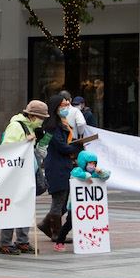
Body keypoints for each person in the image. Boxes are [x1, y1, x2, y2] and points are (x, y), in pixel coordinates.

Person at [0, 101, 49, 255]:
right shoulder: (16, 126)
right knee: (11, 208)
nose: (42, 121)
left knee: (25, 207)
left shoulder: (29, 127)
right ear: (32, 116)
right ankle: (5, 243)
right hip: (15, 175)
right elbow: (7, 149)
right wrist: (25, 143)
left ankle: (23, 241)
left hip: (26, 174)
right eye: (41, 118)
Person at [37, 93, 79, 249]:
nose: (67, 108)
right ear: (56, 108)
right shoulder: (52, 127)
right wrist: (76, 147)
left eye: (68, 105)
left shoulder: (62, 123)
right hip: (56, 167)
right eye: (63, 105)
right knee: (59, 200)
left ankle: (45, 224)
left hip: (63, 165)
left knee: (63, 201)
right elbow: (61, 146)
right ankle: (56, 233)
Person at [53, 150, 110, 252]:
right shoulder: (78, 170)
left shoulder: (95, 173)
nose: (92, 165)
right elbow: (75, 174)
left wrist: (100, 171)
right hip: (75, 206)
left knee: (90, 223)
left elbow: (106, 175)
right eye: (90, 163)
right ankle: (59, 241)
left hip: (90, 206)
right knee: (69, 223)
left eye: (94, 163)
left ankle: (90, 241)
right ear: (84, 163)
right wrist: (86, 176)